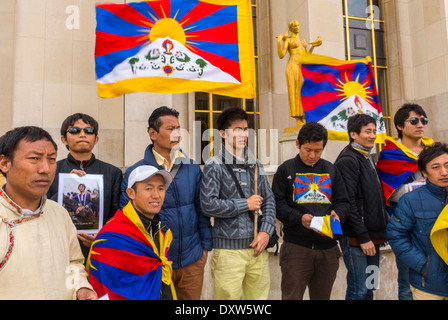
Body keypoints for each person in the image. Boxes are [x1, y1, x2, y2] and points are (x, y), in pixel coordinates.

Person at [120, 106, 212, 300]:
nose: (177, 134)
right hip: (154, 263)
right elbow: (127, 220)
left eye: (178, 128)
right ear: (152, 134)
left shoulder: (192, 167)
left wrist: (204, 248)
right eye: (170, 129)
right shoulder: (136, 172)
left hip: (192, 261)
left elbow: (200, 209)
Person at [0, 126, 96, 300]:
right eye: (34, 158)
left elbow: (74, 263)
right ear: (5, 163)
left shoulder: (59, 212)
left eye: (51, 159)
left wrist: (81, 287)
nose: (45, 168)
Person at [200, 107, 276, 300]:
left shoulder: (256, 164)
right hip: (227, 252)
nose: (243, 134)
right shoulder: (213, 165)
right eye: (237, 129)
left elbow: (269, 201)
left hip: (257, 249)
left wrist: (265, 231)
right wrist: (245, 204)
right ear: (223, 134)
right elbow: (208, 205)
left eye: (245, 129)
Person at [272, 121, 350, 300]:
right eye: (308, 150)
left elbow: (344, 202)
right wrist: (299, 218)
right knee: (291, 297)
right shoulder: (286, 169)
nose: (312, 155)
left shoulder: (331, 169)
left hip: (328, 248)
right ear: (298, 144)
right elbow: (277, 203)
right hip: (296, 247)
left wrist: (339, 213)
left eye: (318, 150)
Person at [88, 165, 176, 300]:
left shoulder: (161, 230)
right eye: (148, 188)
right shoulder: (111, 236)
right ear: (131, 193)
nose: (156, 195)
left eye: (161, 188)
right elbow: (102, 289)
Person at [377, 103, 434, 300]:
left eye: (424, 120)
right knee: (407, 285)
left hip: (437, 224)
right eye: (414, 120)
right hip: (408, 229)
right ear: (400, 126)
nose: (421, 124)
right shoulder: (389, 155)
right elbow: (386, 194)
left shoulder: (434, 151)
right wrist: (415, 189)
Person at [47, 113, 123, 259]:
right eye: (75, 131)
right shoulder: (51, 170)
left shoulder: (113, 173)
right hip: (59, 248)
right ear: (64, 139)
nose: (82, 134)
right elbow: (43, 207)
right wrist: (67, 186)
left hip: (99, 250)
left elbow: (117, 214)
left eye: (88, 131)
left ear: (96, 139)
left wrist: (102, 237)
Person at [334, 114, 389, 300]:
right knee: (358, 289)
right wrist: (363, 237)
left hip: (374, 237)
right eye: (368, 131)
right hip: (357, 239)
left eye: (374, 131)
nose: (373, 135)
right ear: (353, 134)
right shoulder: (348, 160)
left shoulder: (367, 157)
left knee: (370, 286)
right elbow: (347, 202)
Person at [387, 142, 448, 300]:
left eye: (447, 165)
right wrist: (424, 266)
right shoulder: (410, 200)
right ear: (424, 172)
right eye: (435, 167)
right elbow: (396, 235)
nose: (444, 172)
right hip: (427, 286)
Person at [277, 19, 321, 124]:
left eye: (298, 25)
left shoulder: (303, 40)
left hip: (302, 67)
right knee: (294, 91)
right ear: (291, 28)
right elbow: (281, 55)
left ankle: (304, 115)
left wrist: (313, 46)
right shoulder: (288, 40)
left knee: (304, 91)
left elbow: (307, 56)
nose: (297, 27)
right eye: (295, 26)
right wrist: (279, 41)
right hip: (292, 66)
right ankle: (298, 118)